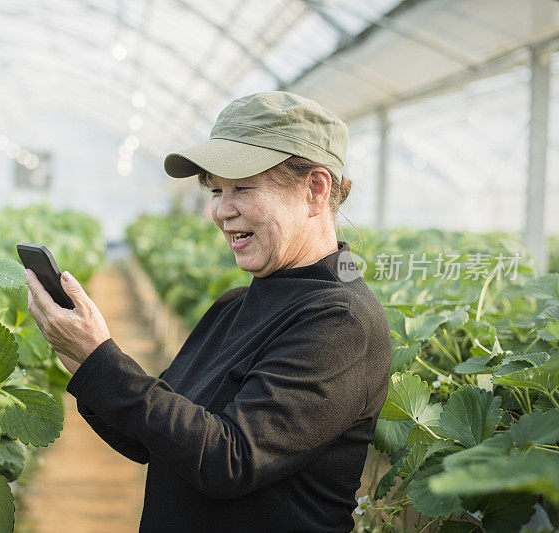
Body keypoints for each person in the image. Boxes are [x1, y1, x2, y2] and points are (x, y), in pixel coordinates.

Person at [24, 91, 392, 532]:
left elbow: (230, 460)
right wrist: (86, 360)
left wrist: (104, 360)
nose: (220, 210)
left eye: (242, 188)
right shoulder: (235, 306)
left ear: (315, 190)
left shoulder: (340, 321)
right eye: (216, 190)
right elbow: (154, 440)